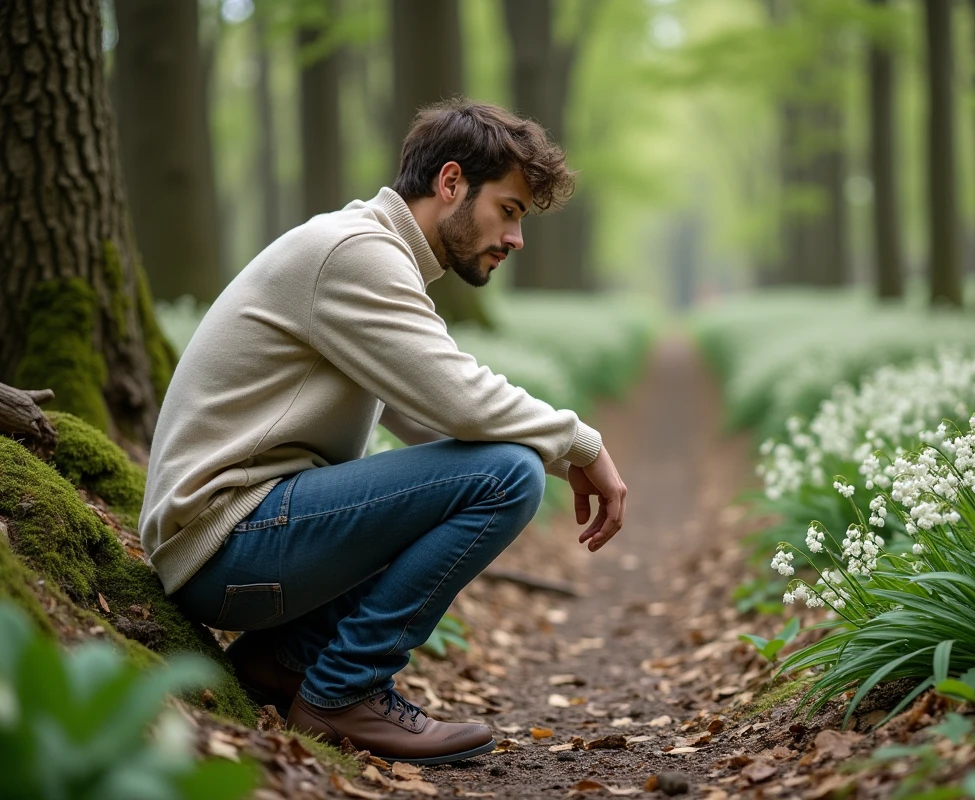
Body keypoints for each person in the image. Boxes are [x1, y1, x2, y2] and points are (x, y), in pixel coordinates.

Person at [138, 100, 628, 765]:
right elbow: (460, 404)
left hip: (240, 538)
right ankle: (344, 692)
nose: (515, 239)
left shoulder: (370, 251)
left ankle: (289, 661)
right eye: (509, 211)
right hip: (226, 542)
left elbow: (429, 420)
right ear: (450, 183)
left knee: (497, 467)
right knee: (509, 474)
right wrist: (578, 445)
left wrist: (537, 451)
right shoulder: (355, 253)